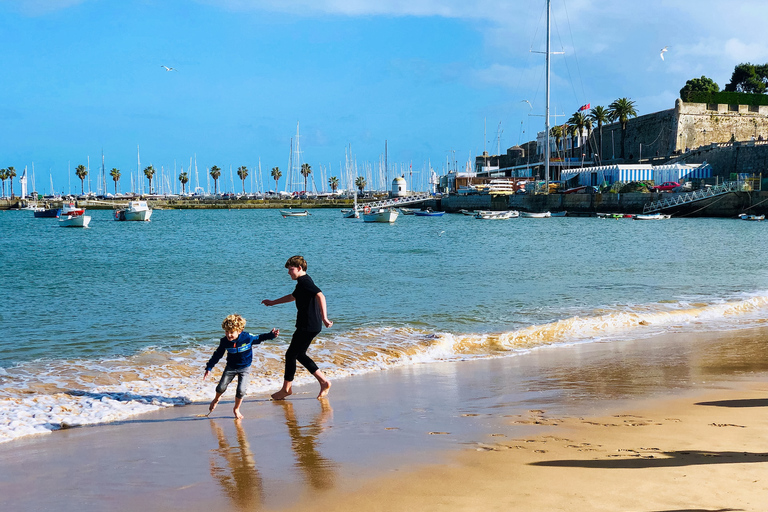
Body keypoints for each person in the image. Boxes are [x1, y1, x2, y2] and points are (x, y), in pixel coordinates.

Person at [262, 255, 333, 400]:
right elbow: (293, 296)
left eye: (291, 269)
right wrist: (273, 302)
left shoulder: (305, 282)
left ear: (299, 268)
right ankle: (324, 382)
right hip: (311, 325)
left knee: (290, 355)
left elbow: (321, 295)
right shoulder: (303, 282)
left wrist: (325, 317)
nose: (289, 272)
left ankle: (286, 389)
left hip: (307, 325)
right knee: (299, 354)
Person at [204, 314, 279, 419]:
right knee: (221, 387)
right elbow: (217, 354)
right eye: (226, 332)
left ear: (239, 331)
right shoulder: (224, 341)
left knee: (241, 390)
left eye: (231, 332)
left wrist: (271, 335)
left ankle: (236, 409)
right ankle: (216, 399)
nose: (228, 335)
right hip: (230, 367)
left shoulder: (247, 337)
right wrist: (209, 367)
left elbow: (259, 338)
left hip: (245, 368)